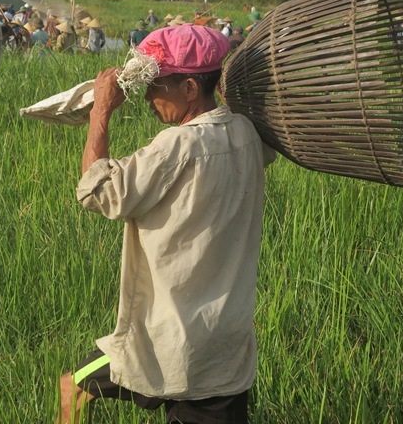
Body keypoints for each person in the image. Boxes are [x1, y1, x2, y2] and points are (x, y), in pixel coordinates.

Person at [59, 24, 274, 424]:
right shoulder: (248, 134)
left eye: (157, 85)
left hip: (164, 338)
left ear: (191, 89)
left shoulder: (177, 145)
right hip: (224, 343)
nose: (148, 97)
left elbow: (97, 192)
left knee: (78, 383)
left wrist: (100, 111)